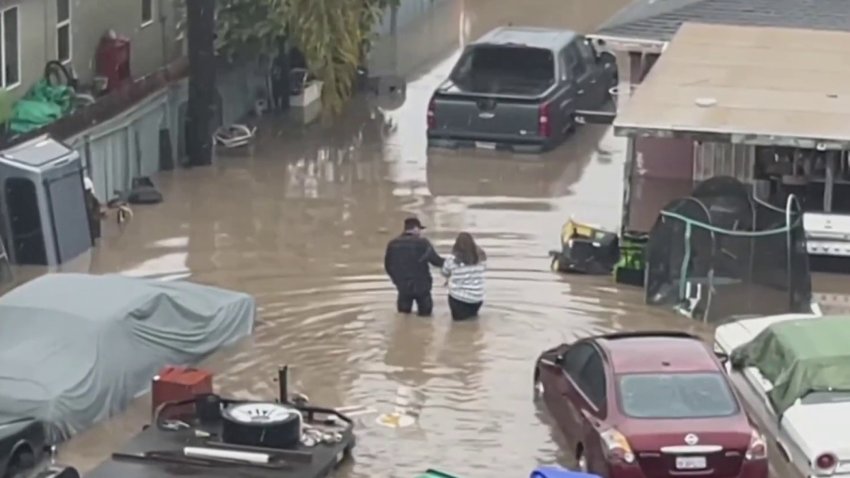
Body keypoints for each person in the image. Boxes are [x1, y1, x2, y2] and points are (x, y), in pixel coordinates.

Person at [384, 217, 444, 316]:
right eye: (419, 229)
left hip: (403, 287)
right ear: (415, 228)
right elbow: (436, 261)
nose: (420, 232)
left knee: (403, 317)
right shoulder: (423, 243)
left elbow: (388, 266)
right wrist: (452, 263)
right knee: (426, 317)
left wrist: (397, 281)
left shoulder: (392, 244)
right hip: (422, 286)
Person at [441, 232, 486, 320]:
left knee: (457, 326)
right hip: (477, 298)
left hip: (458, 299)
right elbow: (482, 271)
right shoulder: (481, 259)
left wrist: (449, 277)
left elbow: (444, 272)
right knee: (472, 322)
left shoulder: (452, 259)